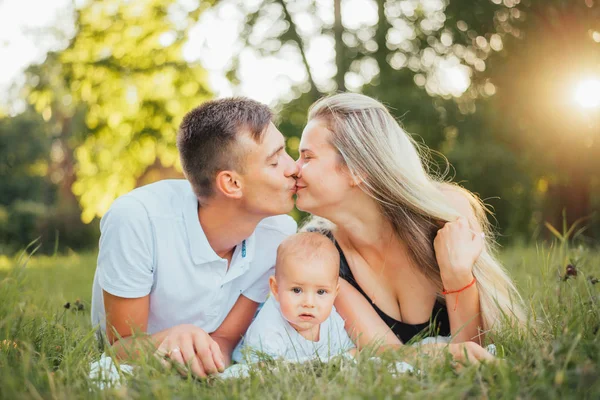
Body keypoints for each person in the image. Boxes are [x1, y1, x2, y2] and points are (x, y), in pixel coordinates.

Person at [295, 93, 525, 359]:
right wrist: (444, 355)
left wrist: (457, 274)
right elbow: (389, 355)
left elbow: (476, 349)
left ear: (356, 169)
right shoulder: (322, 252)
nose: (293, 168)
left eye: (307, 157)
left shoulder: (446, 213)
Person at [90, 97, 299, 378]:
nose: (294, 168)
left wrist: (208, 361)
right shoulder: (136, 219)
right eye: (275, 162)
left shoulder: (278, 232)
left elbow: (225, 339)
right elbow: (120, 346)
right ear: (231, 183)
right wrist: (173, 338)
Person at [242, 232, 355, 362]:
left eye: (321, 292)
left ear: (335, 293)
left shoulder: (332, 321)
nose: (309, 303)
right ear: (276, 289)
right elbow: (265, 369)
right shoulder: (268, 329)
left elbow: (350, 352)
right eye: (297, 290)